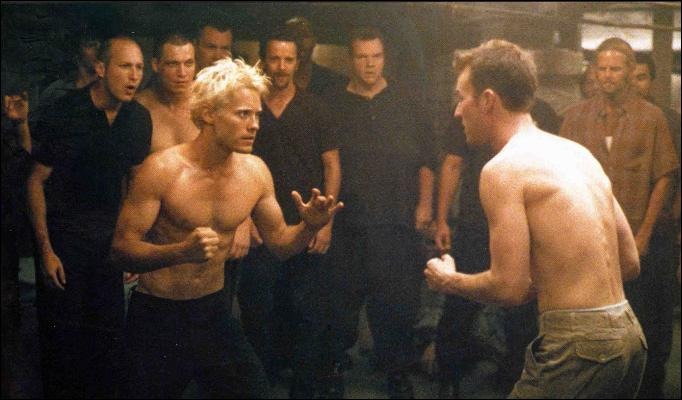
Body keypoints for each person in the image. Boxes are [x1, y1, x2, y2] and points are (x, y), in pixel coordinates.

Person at [425, 39, 646, 398]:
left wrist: (450, 281)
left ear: (488, 101)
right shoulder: (577, 153)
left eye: (462, 97)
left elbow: (508, 288)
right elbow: (630, 261)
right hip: (628, 335)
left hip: (580, 345)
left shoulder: (504, 168)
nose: (457, 110)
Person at [109, 58, 343, 398]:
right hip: (158, 315)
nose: (254, 125)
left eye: (257, 115)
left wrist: (308, 228)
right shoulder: (162, 170)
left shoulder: (254, 172)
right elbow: (120, 250)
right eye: (243, 114)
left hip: (212, 313)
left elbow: (280, 244)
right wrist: (180, 252)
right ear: (208, 114)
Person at [26, 36, 151, 398]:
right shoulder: (65, 111)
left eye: (139, 68)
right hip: (63, 240)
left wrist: (131, 243)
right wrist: (45, 250)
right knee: (62, 345)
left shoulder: (137, 118)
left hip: (108, 243)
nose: (134, 76)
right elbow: (35, 181)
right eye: (125, 66)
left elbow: (136, 183)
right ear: (101, 69)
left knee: (107, 343)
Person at [561, 38, 680, 399]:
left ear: (629, 71)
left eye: (615, 69)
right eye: (602, 69)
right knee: (594, 324)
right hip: (590, 239)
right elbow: (562, 175)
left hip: (641, 239)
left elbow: (664, 177)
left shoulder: (651, 117)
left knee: (646, 322)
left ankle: (647, 390)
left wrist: (643, 235)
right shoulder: (576, 116)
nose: (608, 76)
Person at [326, 26, 437, 399]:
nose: (369, 64)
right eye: (362, 57)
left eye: (376, 56)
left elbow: (427, 161)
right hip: (348, 222)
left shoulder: (407, 102)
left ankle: (397, 373)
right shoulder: (334, 104)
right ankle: (334, 368)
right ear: (350, 60)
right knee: (340, 303)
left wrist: (425, 206)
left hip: (397, 222)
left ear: (384, 58)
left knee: (397, 304)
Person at [236, 28, 341, 398]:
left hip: (306, 227)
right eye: (274, 59)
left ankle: (303, 390)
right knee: (259, 313)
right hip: (262, 228)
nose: (281, 67)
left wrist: (325, 224)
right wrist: (243, 219)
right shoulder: (250, 109)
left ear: (298, 62)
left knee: (308, 313)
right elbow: (235, 163)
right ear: (263, 60)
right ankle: (261, 388)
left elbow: (332, 166)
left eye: (288, 59)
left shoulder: (316, 108)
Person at [136, 32, 199, 153]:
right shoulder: (139, 107)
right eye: (173, 64)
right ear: (155, 65)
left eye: (188, 63)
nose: (182, 73)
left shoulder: (210, 101)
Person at [285, 16, 347, 97]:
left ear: (314, 41)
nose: (300, 41)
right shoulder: (272, 81)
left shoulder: (333, 81)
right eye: (293, 36)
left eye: (304, 35)